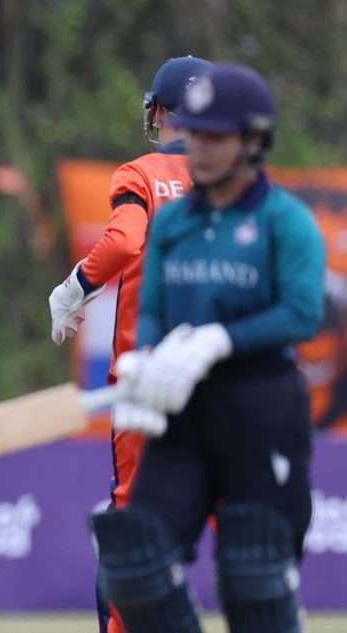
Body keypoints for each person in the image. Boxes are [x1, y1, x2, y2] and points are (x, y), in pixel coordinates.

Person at [92, 64, 326, 633]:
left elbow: (302, 313)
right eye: (194, 133)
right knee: (138, 562)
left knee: (254, 579)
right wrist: (146, 360)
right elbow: (153, 310)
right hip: (184, 415)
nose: (199, 147)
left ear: (252, 141)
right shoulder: (174, 226)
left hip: (261, 408)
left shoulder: (286, 221)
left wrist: (223, 340)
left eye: (215, 136)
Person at [48, 55, 212, 633]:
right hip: (223, 381)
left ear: (161, 112)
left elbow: (121, 242)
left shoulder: (141, 172)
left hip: (147, 383)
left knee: (135, 529)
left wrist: (74, 288)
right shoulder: (236, 178)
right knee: (250, 537)